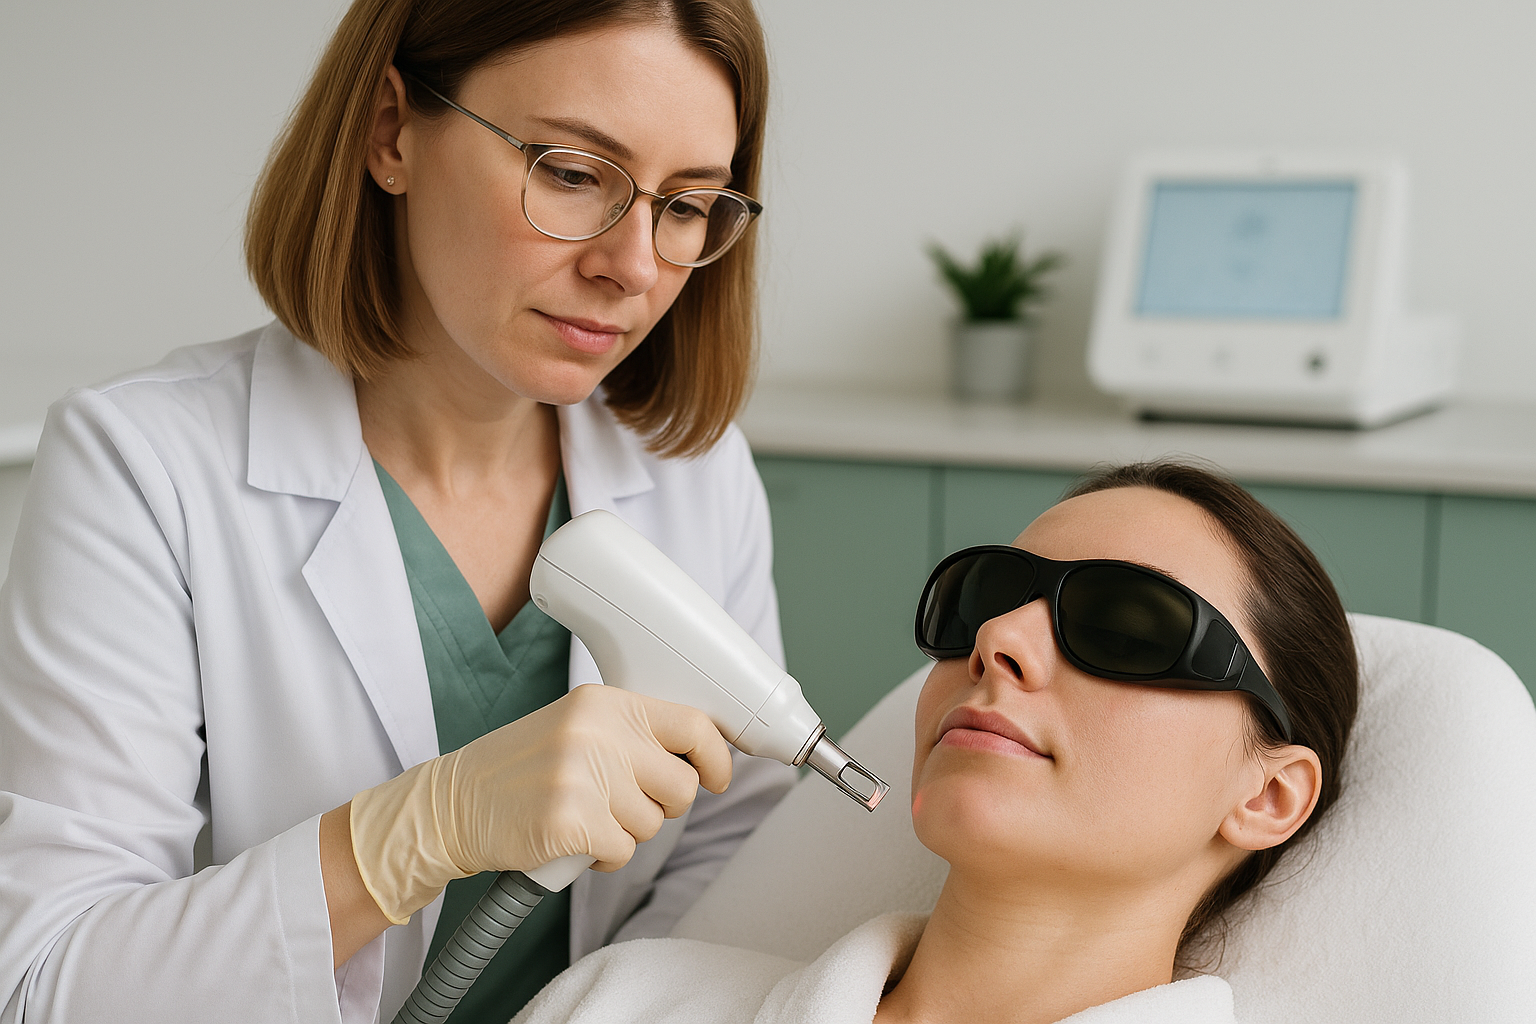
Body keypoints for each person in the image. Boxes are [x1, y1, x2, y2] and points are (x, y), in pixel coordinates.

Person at [0, 2, 793, 1022]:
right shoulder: (144, 470)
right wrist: (412, 833)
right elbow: (43, 981)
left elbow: (734, 854)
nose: (633, 267)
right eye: (571, 172)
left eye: (685, 206)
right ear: (391, 133)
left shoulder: (695, 475)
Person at [509, 461, 1360, 1024]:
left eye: (1126, 625)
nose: (1000, 640)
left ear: (1266, 795)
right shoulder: (624, 1003)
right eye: (981, 596)